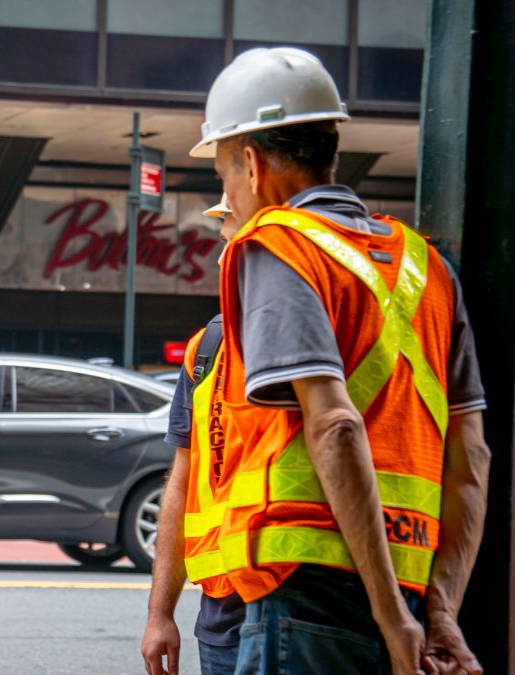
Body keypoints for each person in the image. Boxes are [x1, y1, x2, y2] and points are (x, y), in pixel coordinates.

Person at [193, 48, 489, 674]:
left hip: (306, 593)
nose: (228, 196)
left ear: (249, 163)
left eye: (222, 174)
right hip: (409, 586)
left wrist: (392, 619)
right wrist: (434, 615)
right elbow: (471, 456)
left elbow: (335, 424)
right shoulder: (427, 265)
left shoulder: (275, 246)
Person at [142, 195, 248, 675]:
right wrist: (160, 615)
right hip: (222, 614)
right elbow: (182, 483)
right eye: (224, 243)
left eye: (234, 239)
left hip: (297, 601)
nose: (223, 258)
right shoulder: (206, 349)